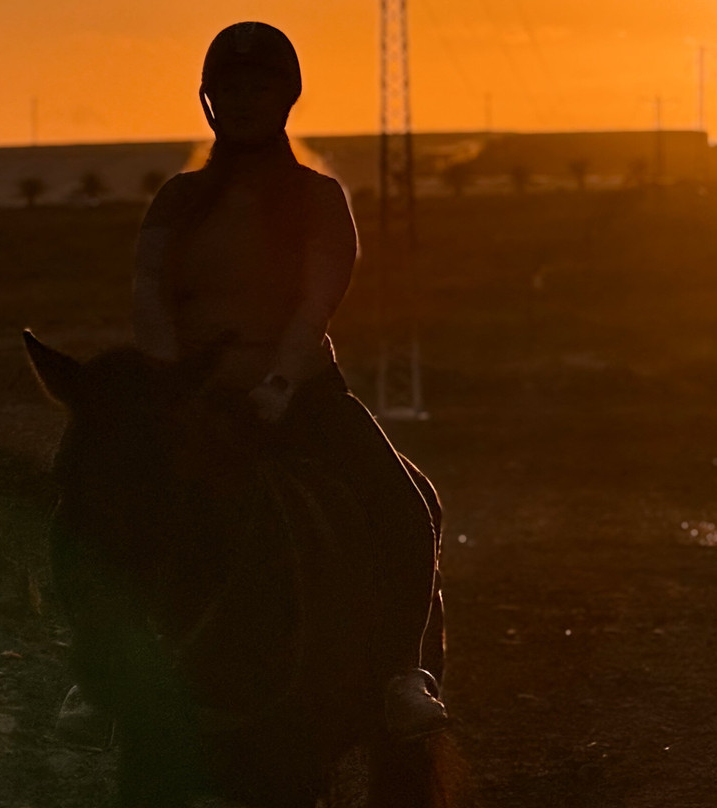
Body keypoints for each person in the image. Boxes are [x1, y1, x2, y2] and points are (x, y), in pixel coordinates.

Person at [129, 21, 447, 742]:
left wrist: (277, 384)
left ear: (287, 97)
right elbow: (149, 291)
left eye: (258, 86)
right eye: (228, 88)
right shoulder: (176, 201)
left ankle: (402, 674)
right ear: (208, 99)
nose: (242, 100)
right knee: (99, 505)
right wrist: (173, 385)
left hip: (300, 396)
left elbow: (316, 302)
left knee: (405, 509)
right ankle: (103, 679)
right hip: (195, 403)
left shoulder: (320, 198)